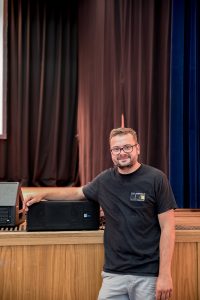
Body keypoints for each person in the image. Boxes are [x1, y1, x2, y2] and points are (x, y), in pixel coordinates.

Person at [23, 127, 177, 300]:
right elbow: (77, 193)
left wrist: (165, 275)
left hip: (148, 275)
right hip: (113, 275)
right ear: (111, 152)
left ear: (138, 148)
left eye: (127, 147)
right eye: (116, 149)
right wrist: (43, 194)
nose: (122, 153)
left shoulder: (156, 178)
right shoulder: (105, 180)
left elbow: (168, 228)